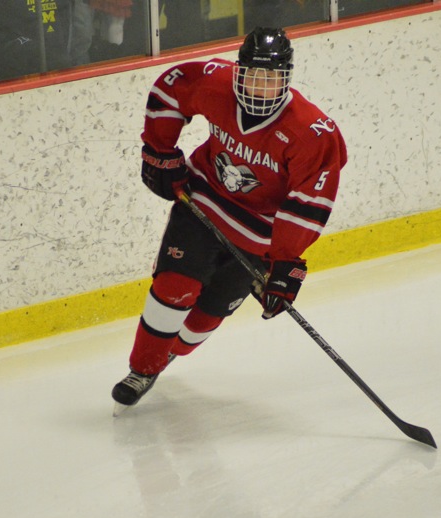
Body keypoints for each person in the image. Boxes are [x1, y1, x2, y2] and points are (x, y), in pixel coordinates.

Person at [112, 27, 347, 408]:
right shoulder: (215, 84)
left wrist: (284, 263)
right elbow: (170, 89)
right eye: (253, 76)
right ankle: (142, 369)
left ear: (286, 79)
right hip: (202, 200)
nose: (260, 88)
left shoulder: (312, 133)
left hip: (259, 233)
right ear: (239, 71)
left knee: (203, 320)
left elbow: (307, 204)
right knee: (174, 287)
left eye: (271, 79)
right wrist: (160, 151)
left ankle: (170, 352)